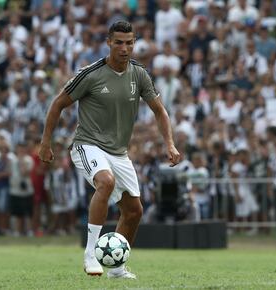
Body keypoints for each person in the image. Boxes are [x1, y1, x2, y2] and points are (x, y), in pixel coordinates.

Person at [38, 21, 181, 279]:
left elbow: (159, 110)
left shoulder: (139, 74)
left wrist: (169, 143)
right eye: (119, 42)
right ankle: (90, 254)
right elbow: (58, 104)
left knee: (134, 211)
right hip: (87, 144)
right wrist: (46, 142)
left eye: (129, 43)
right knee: (105, 182)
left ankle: (117, 269)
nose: (124, 48)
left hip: (119, 153)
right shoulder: (91, 74)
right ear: (108, 43)